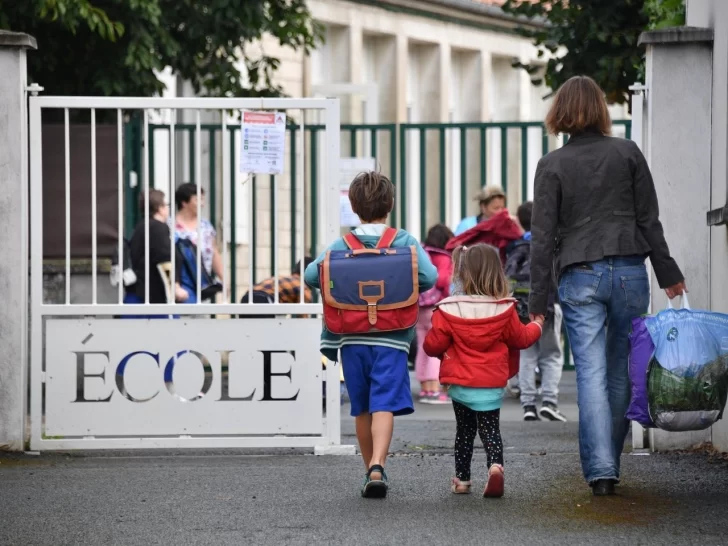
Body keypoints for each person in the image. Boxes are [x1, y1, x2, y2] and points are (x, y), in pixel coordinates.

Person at [529, 75, 687, 497]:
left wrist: (538, 302)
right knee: (620, 372)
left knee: (591, 374)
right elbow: (648, 220)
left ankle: (601, 471)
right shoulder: (628, 153)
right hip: (632, 271)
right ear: (600, 109)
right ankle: (608, 461)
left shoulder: (552, 166)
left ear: (560, 112)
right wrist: (669, 274)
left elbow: (542, 239)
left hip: (580, 274)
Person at [304, 171, 437, 498]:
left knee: (361, 406)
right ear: (389, 205)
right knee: (384, 404)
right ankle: (379, 463)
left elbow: (311, 274)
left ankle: (370, 471)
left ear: (353, 206)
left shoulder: (341, 245)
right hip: (391, 337)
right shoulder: (403, 241)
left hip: (351, 338)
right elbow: (430, 277)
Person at [423, 244, 543, 498]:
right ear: (495, 273)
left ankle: (462, 480)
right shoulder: (504, 308)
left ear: (462, 273)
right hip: (490, 382)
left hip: (460, 382)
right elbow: (521, 339)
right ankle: (496, 466)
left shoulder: (448, 309)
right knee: (490, 429)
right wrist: (537, 324)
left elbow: (433, 345)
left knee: (464, 431)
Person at [505, 201, 565, 422]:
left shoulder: (516, 249)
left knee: (527, 356)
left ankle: (528, 405)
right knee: (551, 355)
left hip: (521, 310)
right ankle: (549, 402)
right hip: (549, 306)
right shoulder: (551, 245)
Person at [124, 189, 188, 313]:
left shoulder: (142, 226)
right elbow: (164, 259)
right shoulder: (158, 228)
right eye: (166, 205)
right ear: (160, 208)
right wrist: (175, 287)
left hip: (138, 295)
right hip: (152, 299)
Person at [415, 224, 454, 404]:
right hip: (435, 307)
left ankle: (424, 387)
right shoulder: (443, 257)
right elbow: (443, 280)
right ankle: (434, 387)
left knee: (423, 346)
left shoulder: (421, 253)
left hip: (418, 306)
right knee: (436, 347)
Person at [174, 182, 224, 282]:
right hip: (178, 285)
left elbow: (214, 252)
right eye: (198, 200)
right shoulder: (169, 225)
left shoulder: (205, 225)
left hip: (202, 285)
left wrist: (223, 278)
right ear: (184, 203)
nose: (202, 204)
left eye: (202, 200)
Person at [238, 258, 315, 318]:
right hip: (264, 300)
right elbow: (303, 315)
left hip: (247, 298)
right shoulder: (302, 286)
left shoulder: (285, 278)